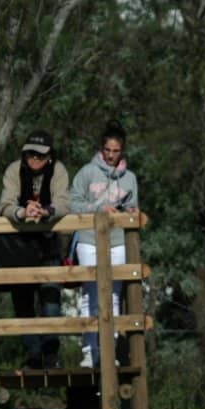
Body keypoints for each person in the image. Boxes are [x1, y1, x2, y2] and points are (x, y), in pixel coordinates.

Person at [0, 129, 69, 369]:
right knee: (23, 303)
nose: (34, 159)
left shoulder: (58, 170)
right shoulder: (13, 170)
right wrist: (22, 212)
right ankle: (33, 354)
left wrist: (46, 211)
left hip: (48, 244)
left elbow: (63, 203)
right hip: (20, 247)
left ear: (49, 156)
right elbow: (5, 203)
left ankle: (50, 355)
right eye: (30, 154)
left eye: (40, 155)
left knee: (51, 302)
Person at [69, 120, 139, 368]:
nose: (110, 155)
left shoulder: (130, 178)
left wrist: (128, 212)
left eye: (115, 151)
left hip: (118, 240)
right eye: (107, 150)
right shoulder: (87, 172)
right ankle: (90, 350)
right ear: (101, 149)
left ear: (122, 151)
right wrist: (98, 208)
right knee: (90, 295)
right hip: (89, 238)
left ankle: (110, 349)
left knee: (114, 296)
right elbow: (73, 202)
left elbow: (135, 209)